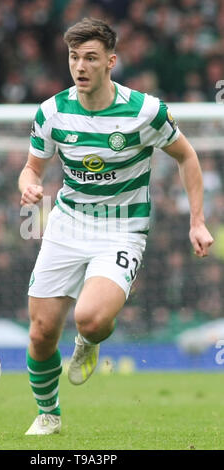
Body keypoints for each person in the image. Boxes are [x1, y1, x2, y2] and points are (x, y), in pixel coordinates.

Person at [18, 17, 214, 435]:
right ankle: (48, 414)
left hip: (122, 229)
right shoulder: (52, 113)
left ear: (111, 61)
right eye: (74, 57)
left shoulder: (145, 111)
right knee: (40, 332)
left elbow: (187, 157)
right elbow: (31, 168)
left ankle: (87, 344)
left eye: (90, 58)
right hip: (67, 225)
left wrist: (197, 221)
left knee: (89, 319)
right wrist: (31, 187)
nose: (80, 66)